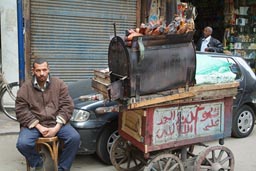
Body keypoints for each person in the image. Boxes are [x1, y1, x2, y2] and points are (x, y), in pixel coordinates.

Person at [15, 58, 80, 171]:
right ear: (33, 71)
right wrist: (39, 126)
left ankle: (63, 168)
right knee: (22, 144)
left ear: (48, 70)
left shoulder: (59, 84)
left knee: (74, 138)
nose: (42, 74)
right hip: (35, 124)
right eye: (38, 70)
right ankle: (38, 162)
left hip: (56, 122)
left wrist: (56, 127)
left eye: (44, 70)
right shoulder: (25, 88)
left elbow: (67, 105)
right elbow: (21, 110)